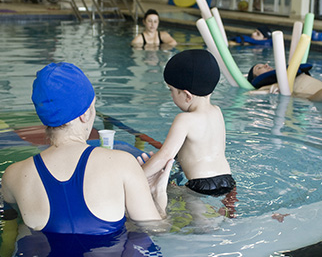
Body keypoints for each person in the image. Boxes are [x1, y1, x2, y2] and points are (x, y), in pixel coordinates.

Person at [1, 62, 174, 235]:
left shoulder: (13, 175)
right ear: (85, 114)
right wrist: (157, 197)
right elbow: (157, 229)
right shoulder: (122, 163)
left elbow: (12, 216)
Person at [137, 50, 235, 196]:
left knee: (194, 216)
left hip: (200, 184)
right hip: (228, 180)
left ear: (187, 95)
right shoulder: (217, 112)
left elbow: (164, 156)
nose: (171, 95)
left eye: (172, 90)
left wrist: (136, 177)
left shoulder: (184, 119)